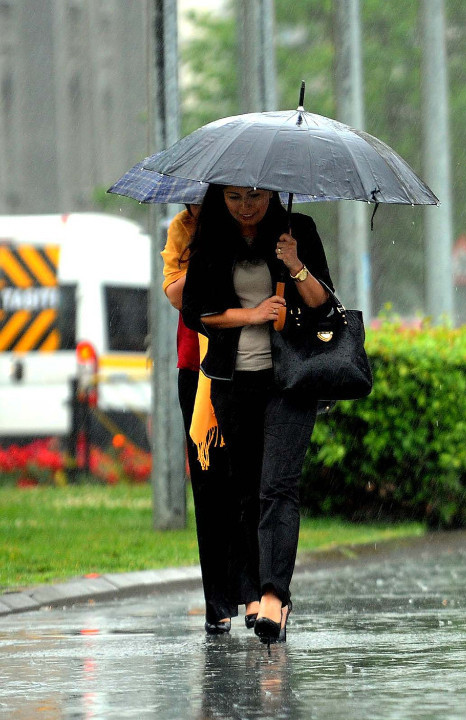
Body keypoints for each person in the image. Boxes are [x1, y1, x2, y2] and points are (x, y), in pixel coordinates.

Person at [182, 185, 333, 645]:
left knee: (278, 486)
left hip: (289, 381)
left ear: (272, 194)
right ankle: (252, 589)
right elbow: (196, 312)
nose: (245, 206)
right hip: (233, 383)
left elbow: (324, 304)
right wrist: (251, 316)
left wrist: (295, 264)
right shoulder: (211, 239)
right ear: (219, 200)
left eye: (255, 196)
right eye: (233, 198)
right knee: (246, 489)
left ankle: (273, 596)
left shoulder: (297, 229)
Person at [161, 204, 252, 635]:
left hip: (251, 363)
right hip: (195, 365)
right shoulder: (184, 229)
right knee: (208, 482)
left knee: (248, 482)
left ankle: (255, 593)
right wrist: (207, 258)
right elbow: (178, 295)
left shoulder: (252, 221)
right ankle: (217, 600)